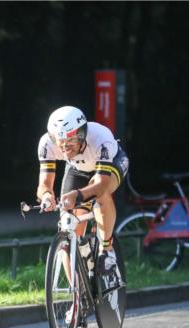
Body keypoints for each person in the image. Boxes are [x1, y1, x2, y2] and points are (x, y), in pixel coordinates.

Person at [35, 106, 130, 295]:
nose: (64, 147)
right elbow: (44, 184)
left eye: (70, 140)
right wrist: (46, 196)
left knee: (100, 195)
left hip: (110, 164)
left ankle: (106, 250)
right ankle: (79, 295)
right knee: (66, 227)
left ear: (82, 134)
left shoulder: (101, 138)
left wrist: (77, 196)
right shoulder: (47, 143)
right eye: (60, 141)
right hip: (77, 170)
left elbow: (101, 185)